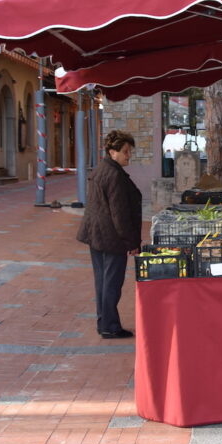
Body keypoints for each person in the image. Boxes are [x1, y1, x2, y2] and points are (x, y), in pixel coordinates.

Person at [77, 130, 143, 339]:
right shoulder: (114, 175)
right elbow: (119, 214)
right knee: (111, 284)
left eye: (129, 151)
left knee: (103, 282)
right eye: (125, 151)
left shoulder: (102, 169)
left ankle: (104, 322)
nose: (128, 155)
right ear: (112, 152)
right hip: (110, 237)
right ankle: (110, 326)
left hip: (97, 234)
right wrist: (132, 242)